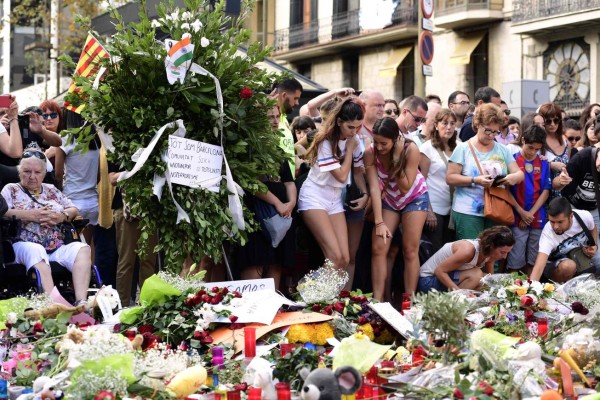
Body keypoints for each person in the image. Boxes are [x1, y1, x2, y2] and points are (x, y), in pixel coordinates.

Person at [1, 148, 90, 305]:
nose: (32, 177)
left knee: (82, 249)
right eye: (27, 171)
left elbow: (73, 209)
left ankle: (81, 302)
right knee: (37, 250)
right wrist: (30, 215)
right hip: (23, 245)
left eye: (37, 172)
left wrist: (61, 216)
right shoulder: (11, 189)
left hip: (56, 246)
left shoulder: (51, 189)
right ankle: (57, 305)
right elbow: (4, 211)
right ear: (19, 172)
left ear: (44, 173)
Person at [298, 97, 367, 273]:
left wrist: (365, 193)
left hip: (334, 198)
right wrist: (350, 150)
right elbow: (343, 177)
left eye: (358, 127)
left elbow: (358, 171)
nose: (354, 132)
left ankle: (330, 299)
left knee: (344, 259)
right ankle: (313, 297)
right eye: (350, 127)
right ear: (338, 122)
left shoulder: (354, 140)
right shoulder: (325, 141)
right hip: (314, 196)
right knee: (334, 257)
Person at [365, 117, 428, 299]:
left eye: (383, 143)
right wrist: (379, 222)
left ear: (395, 139)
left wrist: (395, 157)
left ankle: (409, 301)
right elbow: (374, 189)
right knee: (378, 247)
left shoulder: (411, 149)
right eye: (376, 142)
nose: (379, 147)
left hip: (414, 197)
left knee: (410, 249)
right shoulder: (370, 152)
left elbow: (405, 187)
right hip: (389, 199)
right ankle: (378, 300)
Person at [236, 105, 297, 290]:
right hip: (256, 212)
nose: (275, 121)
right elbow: (250, 182)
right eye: (270, 116)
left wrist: (291, 203)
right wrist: (278, 203)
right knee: (255, 263)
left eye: (277, 116)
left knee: (275, 263)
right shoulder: (248, 148)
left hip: (281, 215)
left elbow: (289, 181)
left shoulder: (277, 149)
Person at [446, 103, 524, 240]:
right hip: (468, 212)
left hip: (496, 211)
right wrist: (475, 180)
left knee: (492, 256)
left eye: (496, 132)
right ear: (477, 125)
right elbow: (450, 178)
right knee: (471, 254)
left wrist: (512, 177)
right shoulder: (463, 149)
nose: (491, 136)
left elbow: (519, 174)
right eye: (488, 131)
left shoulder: (502, 150)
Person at [506, 125, 551, 273]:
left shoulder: (544, 163)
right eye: (530, 147)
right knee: (515, 257)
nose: (533, 152)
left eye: (537, 149)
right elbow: (506, 191)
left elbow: (545, 191)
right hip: (516, 217)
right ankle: (513, 291)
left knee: (533, 258)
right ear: (523, 140)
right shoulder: (512, 161)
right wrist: (521, 213)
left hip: (537, 216)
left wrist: (529, 214)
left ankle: (529, 292)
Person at [418, 226, 514, 292]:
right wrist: (460, 294)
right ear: (492, 246)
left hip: (442, 279)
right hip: (427, 280)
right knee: (476, 274)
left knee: (486, 281)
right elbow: (439, 271)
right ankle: (454, 304)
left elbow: (491, 279)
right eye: (502, 252)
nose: (504, 256)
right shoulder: (468, 250)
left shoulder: (490, 253)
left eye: (507, 253)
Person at [529, 198, 599, 282]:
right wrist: (531, 290)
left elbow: (593, 228)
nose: (555, 227)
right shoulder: (548, 232)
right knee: (568, 266)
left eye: (560, 222)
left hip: (579, 254)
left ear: (571, 216)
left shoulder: (584, 216)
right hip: (555, 265)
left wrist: (594, 245)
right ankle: (556, 289)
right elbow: (539, 266)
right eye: (552, 222)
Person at [420, 109, 457, 253]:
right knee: (435, 251)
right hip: (435, 208)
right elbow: (421, 181)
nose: (449, 127)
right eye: (444, 123)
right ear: (436, 125)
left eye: (452, 124)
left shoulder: (460, 147)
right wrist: (428, 210)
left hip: (454, 209)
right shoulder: (427, 148)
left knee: (449, 252)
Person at [539, 102, 570, 199]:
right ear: (542, 121)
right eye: (548, 121)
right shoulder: (538, 140)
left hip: (564, 196)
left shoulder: (565, 141)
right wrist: (550, 165)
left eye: (556, 120)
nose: (552, 124)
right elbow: (529, 164)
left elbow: (568, 167)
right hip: (543, 195)